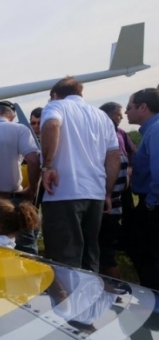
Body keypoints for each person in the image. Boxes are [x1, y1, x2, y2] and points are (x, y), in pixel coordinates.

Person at [40, 77, 120, 272]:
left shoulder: (56, 106)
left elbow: (51, 125)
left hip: (64, 192)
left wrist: (47, 166)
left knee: (64, 258)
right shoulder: (102, 117)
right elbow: (113, 157)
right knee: (90, 254)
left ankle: (68, 301)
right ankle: (90, 296)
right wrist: (107, 193)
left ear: (55, 95)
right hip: (95, 194)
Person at [0, 100, 41, 254]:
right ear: (12, 117)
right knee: (26, 248)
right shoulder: (19, 129)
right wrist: (32, 189)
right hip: (15, 198)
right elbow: (32, 159)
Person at [125, 88, 159, 289]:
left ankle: (154, 303)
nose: (127, 112)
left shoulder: (155, 131)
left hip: (153, 203)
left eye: (129, 107)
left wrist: (151, 203)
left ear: (143, 107)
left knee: (147, 254)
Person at [99, 101, 137, 250]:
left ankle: (123, 240)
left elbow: (131, 150)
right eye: (118, 114)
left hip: (121, 177)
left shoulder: (120, 132)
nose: (122, 117)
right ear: (108, 115)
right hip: (108, 177)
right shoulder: (99, 133)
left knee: (126, 210)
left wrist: (130, 166)